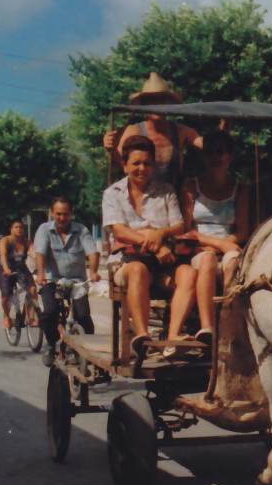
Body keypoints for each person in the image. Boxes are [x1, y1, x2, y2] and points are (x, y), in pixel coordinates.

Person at [103, 134, 196, 361]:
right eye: (136, 163)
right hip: (127, 262)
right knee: (137, 271)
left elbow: (177, 225)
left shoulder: (165, 191)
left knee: (189, 273)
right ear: (125, 166)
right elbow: (120, 231)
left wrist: (160, 234)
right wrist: (153, 245)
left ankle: (173, 337)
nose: (142, 168)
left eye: (147, 163)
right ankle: (143, 335)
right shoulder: (112, 193)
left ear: (153, 166)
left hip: (163, 262)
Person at [169, 130, 249, 357]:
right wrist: (215, 244)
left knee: (234, 262)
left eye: (221, 152)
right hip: (198, 248)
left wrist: (225, 245)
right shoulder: (191, 187)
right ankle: (208, 326)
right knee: (208, 260)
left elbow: (242, 231)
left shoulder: (240, 189)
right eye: (210, 152)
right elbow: (186, 228)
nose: (216, 157)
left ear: (229, 156)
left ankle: (232, 323)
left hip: (229, 247)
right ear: (203, 157)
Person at [103, 72, 202, 192]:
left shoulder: (182, 132)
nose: (157, 105)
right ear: (144, 104)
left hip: (174, 203)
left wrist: (225, 124)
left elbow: (210, 146)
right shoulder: (132, 132)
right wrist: (110, 148)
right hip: (142, 204)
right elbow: (118, 163)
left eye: (161, 100)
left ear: (169, 103)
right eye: (152, 100)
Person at [33, 198, 101, 367]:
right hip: (51, 279)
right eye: (58, 214)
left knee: (84, 316)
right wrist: (40, 274)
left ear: (71, 214)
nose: (62, 218)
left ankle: (89, 351)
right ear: (51, 213)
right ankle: (51, 344)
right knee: (49, 312)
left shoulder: (81, 230)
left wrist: (93, 271)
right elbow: (40, 253)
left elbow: (92, 253)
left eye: (66, 214)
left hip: (77, 280)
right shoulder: (44, 230)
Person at [0, 218, 36, 330]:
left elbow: (33, 254)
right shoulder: (6, 240)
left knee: (32, 289)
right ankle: (6, 316)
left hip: (21, 269)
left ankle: (31, 317)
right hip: (6, 269)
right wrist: (6, 268)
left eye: (21, 228)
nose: (19, 230)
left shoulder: (26, 242)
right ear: (11, 229)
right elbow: (3, 255)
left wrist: (40, 265)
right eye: (16, 227)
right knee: (6, 296)